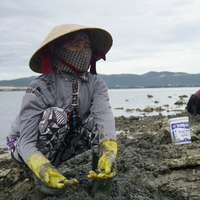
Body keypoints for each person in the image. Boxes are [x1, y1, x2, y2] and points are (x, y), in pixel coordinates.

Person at [6, 24, 118, 196]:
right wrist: (41, 165)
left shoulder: (96, 84)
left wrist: (109, 152)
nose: (82, 51)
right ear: (57, 51)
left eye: (86, 46)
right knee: (55, 116)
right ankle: (43, 177)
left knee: (98, 123)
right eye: (75, 46)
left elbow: (104, 116)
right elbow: (26, 142)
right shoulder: (40, 88)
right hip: (24, 147)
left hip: (67, 143)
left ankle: (102, 182)